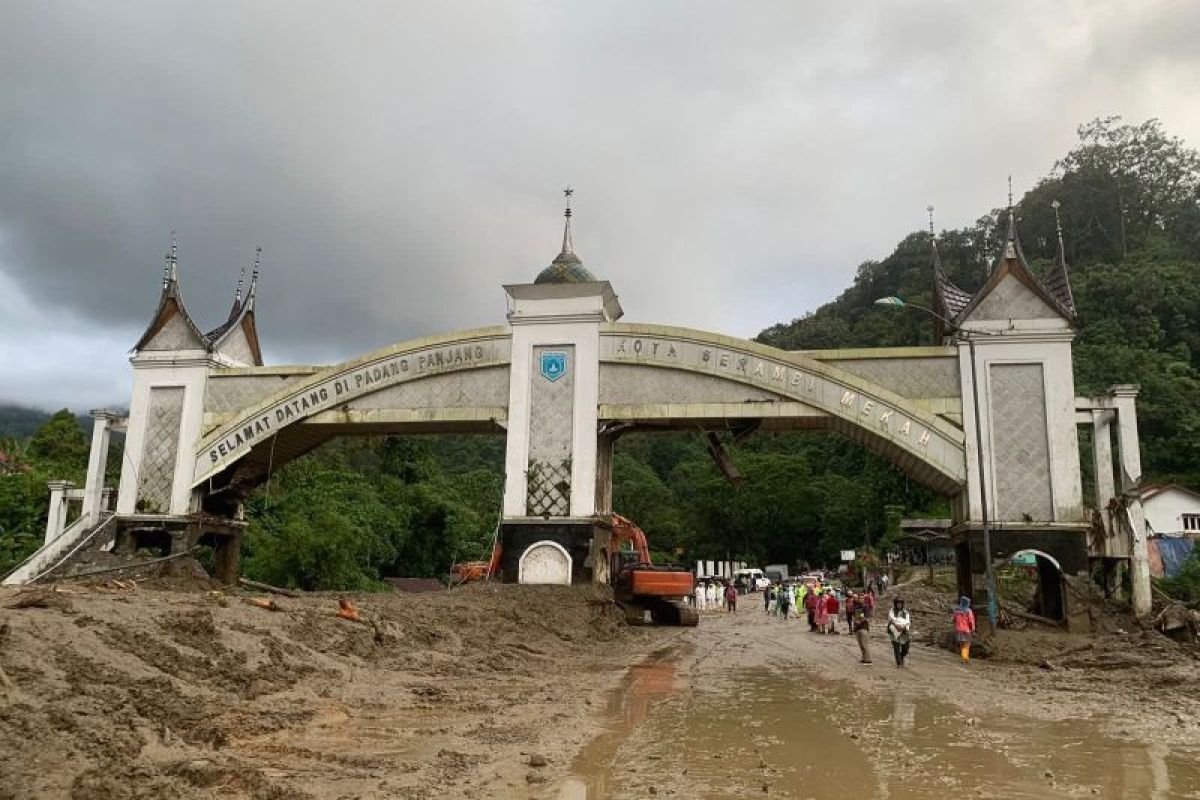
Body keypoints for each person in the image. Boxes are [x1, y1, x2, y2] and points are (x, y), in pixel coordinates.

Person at [887, 597, 912, 667]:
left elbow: (908, 621)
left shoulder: (905, 612)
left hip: (903, 630)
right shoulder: (892, 610)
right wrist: (896, 625)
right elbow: (891, 618)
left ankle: (902, 656)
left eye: (900, 604)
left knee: (906, 647)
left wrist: (903, 627)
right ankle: (899, 662)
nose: (899, 605)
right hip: (894, 630)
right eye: (898, 604)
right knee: (896, 646)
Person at [953, 596, 976, 663]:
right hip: (966, 630)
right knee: (967, 644)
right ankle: (965, 658)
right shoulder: (968, 611)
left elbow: (954, 619)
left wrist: (955, 627)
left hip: (958, 630)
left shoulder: (957, 610)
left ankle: (963, 658)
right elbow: (971, 621)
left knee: (961, 644)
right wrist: (973, 630)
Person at [852, 597, 872, 663]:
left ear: (864, 599)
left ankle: (868, 659)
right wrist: (855, 620)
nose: (860, 599)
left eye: (862, 598)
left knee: (865, 644)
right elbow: (854, 615)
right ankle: (864, 658)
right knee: (861, 645)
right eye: (859, 598)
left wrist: (859, 621)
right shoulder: (856, 607)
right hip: (857, 628)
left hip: (864, 627)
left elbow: (866, 617)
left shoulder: (866, 607)